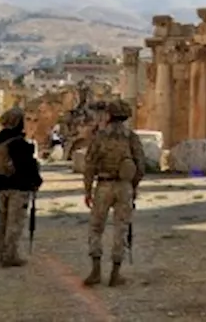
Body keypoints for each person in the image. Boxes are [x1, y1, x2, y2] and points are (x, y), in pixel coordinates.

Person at [82, 99, 144, 287]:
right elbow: (140, 166)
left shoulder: (100, 137)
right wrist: (134, 186)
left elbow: (89, 165)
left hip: (103, 185)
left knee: (96, 228)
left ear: (109, 115)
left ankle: (95, 270)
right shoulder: (131, 137)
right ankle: (115, 274)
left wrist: (87, 190)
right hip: (124, 186)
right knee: (121, 228)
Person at [0, 108, 42, 267]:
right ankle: (11, 255)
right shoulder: (19, 143)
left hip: (1, 186)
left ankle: (3, 253)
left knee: (4, 222)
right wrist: (36, 181)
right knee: (15, 223)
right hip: (19, 188)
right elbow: (27, 166)